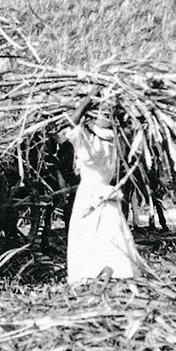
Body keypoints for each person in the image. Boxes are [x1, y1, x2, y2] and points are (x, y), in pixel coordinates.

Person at [62, 92, 142, 283]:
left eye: (108, 114)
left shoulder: (111, 138)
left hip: (99, 192)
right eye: (101, 113)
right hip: (93, 192)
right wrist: (90, 100)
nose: (105, 116)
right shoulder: (90, 136)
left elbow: (69, 124)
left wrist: (91, 100)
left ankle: (104, 271)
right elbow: (70, 124)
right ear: (92, 115)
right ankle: (97, 271)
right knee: (97, 233)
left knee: (104, 234)